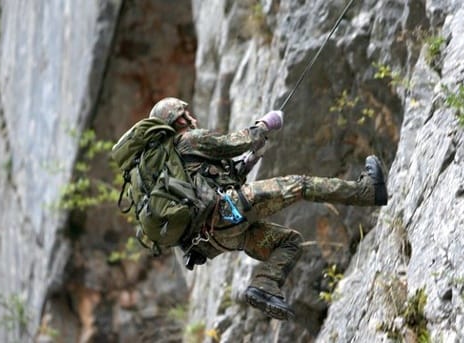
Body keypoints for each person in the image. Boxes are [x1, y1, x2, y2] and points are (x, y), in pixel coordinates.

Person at [139, 97, 387, 320]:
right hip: (228, 212)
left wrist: (250, 161)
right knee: (299, 185)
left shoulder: (173, 165)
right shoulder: (188, 140)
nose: (191, 117)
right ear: (179, 119)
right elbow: (237, 141)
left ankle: (265, 284)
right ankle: (366, 192)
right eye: (186, 113)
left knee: (289, 242)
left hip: (218, 238)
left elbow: (216, 183)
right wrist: (265, 124)